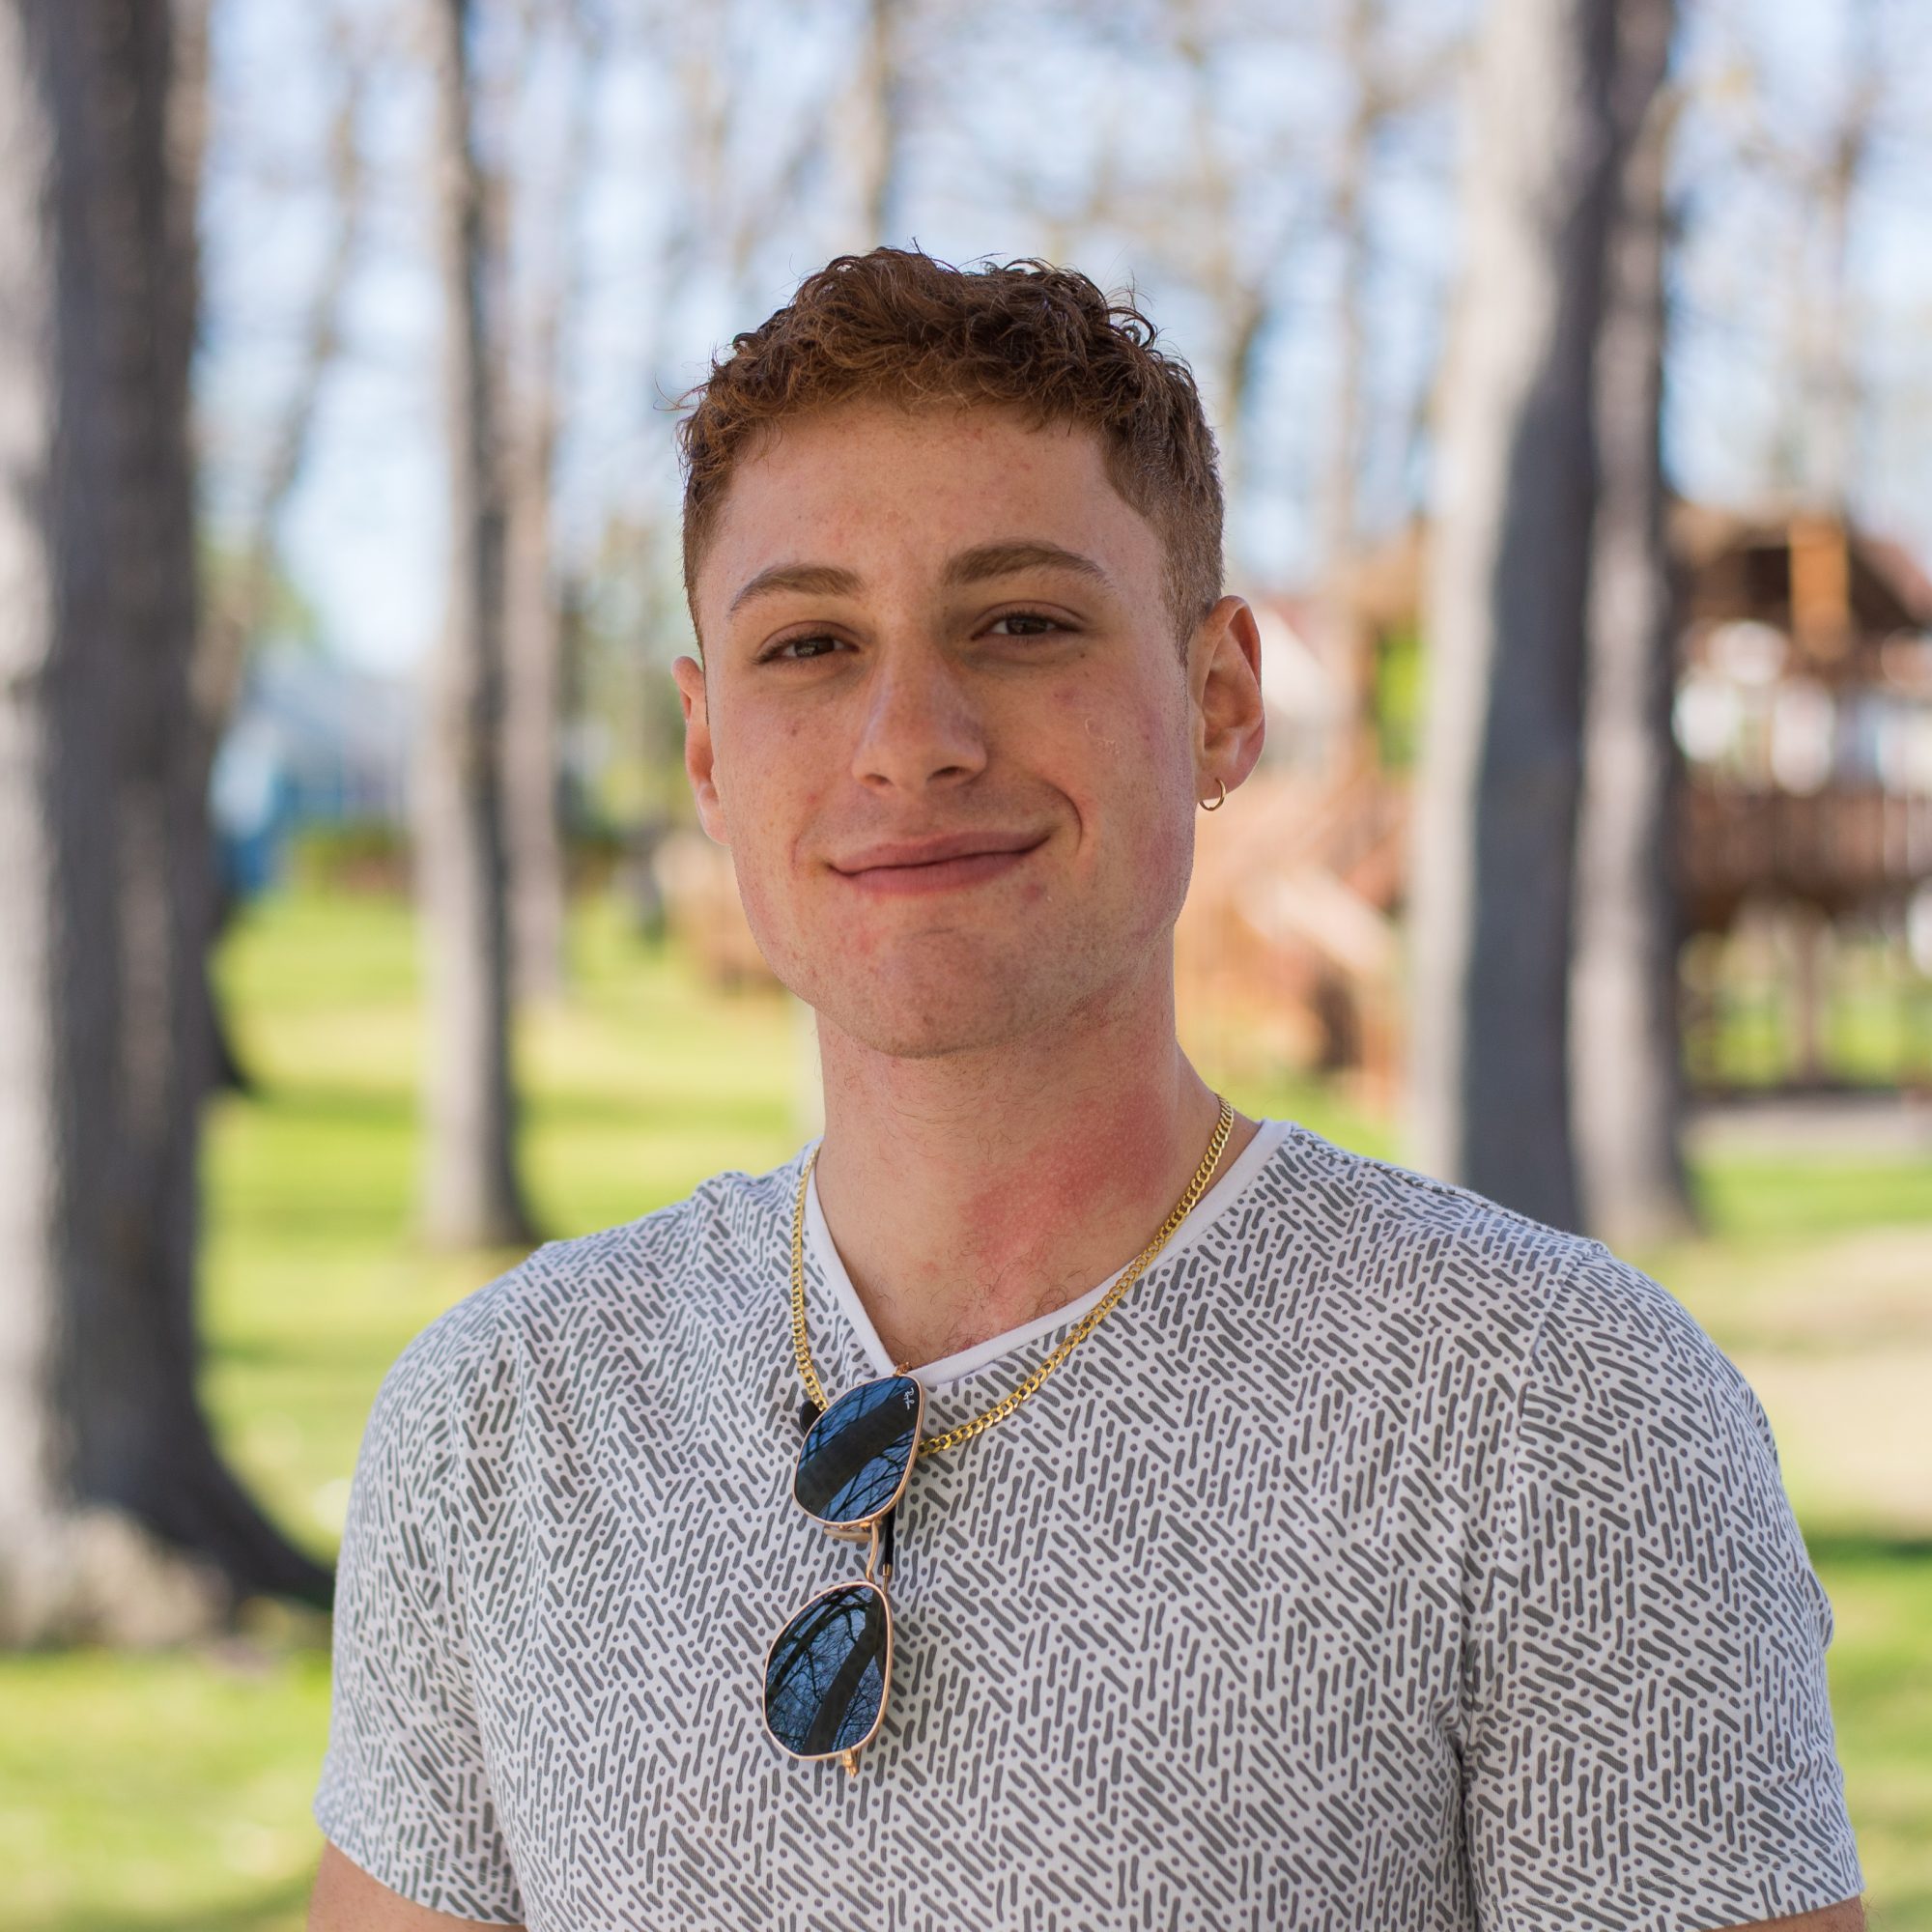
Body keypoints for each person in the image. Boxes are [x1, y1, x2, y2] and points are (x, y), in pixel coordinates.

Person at [306, 248, 1865, 1932]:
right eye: (810, 643)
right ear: (705, 754)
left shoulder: (1561, 1416)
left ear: (1219, 703)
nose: (910, 736)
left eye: (1023, 624)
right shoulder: (498, 1422)